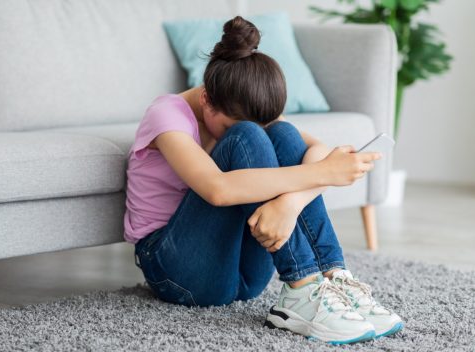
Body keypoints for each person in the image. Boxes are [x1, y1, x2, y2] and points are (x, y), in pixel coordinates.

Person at [124, 15, 403, 345]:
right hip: (175, 269)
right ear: (205, 100)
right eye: (227, 125)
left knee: (282, 133)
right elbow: (217, 189)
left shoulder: (243, 102)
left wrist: (290, 203)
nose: (235, 130)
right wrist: (323, 174)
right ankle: (303, 286)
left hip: (245, 275)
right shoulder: (167, 115)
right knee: (248, 137)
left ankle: (331, 277)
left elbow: (318, 151)